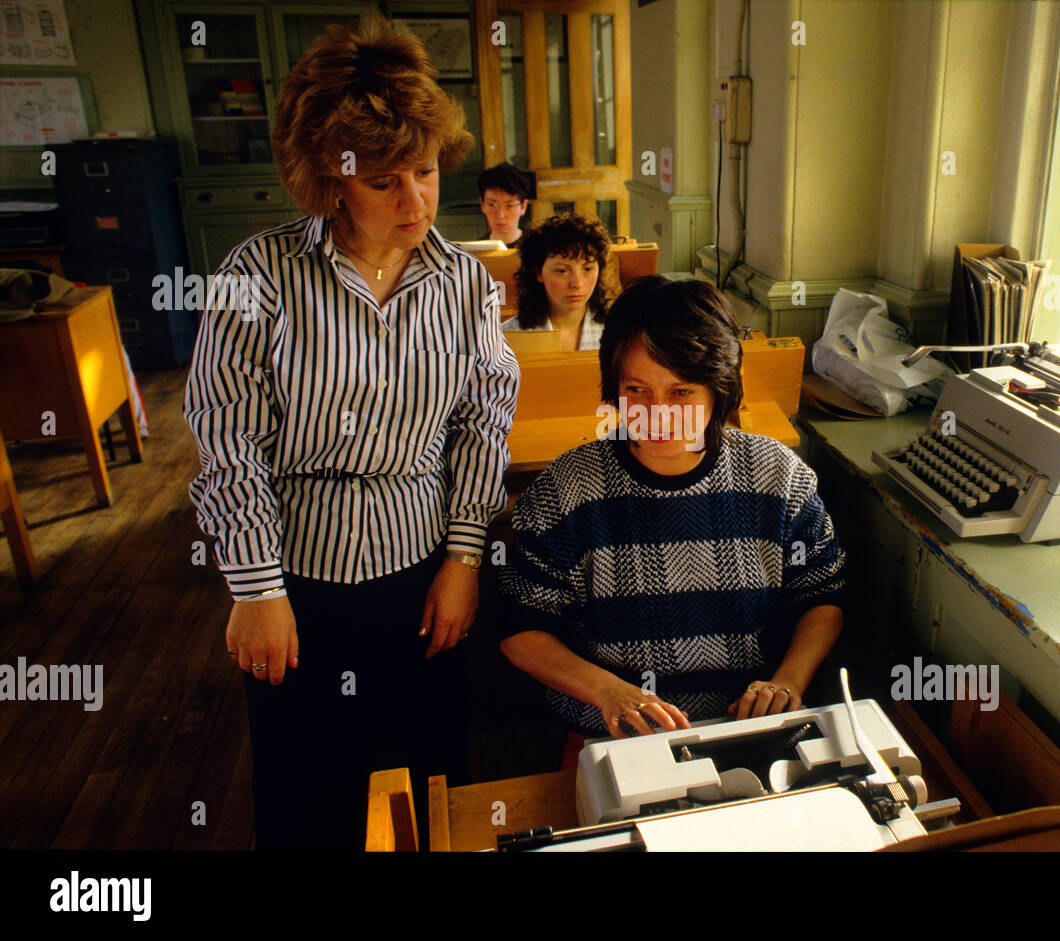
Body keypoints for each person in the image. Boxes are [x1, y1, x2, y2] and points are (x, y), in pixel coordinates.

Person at [183, 16, 520, 850]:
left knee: (427, 779)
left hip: (422, 571)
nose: (414, 202)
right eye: (382, 182)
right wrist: (257, 589)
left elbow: (482, 427)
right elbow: (228, 439)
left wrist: (465, 559)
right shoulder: (255, 276)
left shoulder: (467, 287)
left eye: (427, 171)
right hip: (296, 577)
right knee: (308, 793)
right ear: (329, 180)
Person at [497, 276, 846, 768]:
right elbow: (520, 629)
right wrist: (608, 692)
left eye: (681, 392)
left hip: (750, 733)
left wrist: (787, 681)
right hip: (615, 742)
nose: (657, 414)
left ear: (719, 391)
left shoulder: (777, 476)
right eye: (636, 389)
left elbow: (823, 597)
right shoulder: (566, 489)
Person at [500, 214, 611, 352]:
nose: (577, 283)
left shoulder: (617, 330)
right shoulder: (508, 335)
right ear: (538, 272)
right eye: (562, 271)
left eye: (587, 269)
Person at [477, 162, 534, 248]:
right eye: (492, 205)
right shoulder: (475, 253)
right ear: (482, 205)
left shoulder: (538, 247)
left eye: (509, 205)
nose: (500, 215)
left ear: (523, 207)